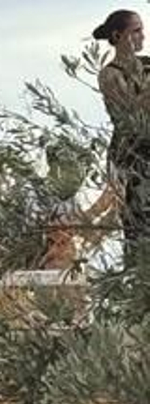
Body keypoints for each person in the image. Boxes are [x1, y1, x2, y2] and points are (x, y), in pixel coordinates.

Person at [95, 10, 150, 270]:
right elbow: (130, 114)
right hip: (132, 154)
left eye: (142, 30)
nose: (142, 36)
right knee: (138, 228)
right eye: (135, 31)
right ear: (118, 36)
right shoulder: (109, 74)